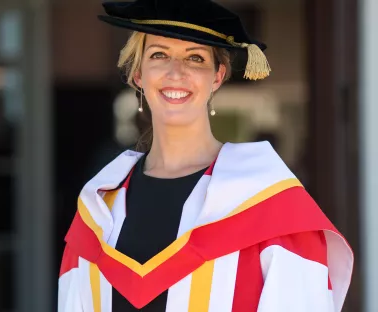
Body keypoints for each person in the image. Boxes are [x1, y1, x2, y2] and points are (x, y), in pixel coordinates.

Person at [57, 0, 353, 311]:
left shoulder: (271, 204)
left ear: (217, 77)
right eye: (159, 54)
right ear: (139, 74)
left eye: (195, 58)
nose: (176, 72)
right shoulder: (98, 207)